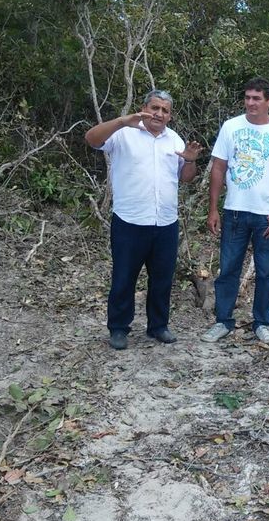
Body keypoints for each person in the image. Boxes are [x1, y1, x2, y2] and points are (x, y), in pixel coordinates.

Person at [85, 89, 201, 350]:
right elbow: (91, 139)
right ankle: (118, 328)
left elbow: (186, 178)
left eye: (165, 110)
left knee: (162, 278)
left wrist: (191, 162)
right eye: (154, 107)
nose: (159, 114)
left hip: (165, 222)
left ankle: (158, 326)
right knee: (124, 277)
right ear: (144, 108)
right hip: (130, 221)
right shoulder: (124, 134)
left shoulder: (175, 140)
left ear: (170, 116)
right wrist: (122, 121)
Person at [203, 78, 269, 344]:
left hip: (267, 215)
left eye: (257, 98)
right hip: (234, 211)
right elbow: (219, 167)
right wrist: (213, 209)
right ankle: (223, 321)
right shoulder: (231, 127)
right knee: (228, 268)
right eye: (247, 98)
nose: (251, 103)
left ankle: (263, 323)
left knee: (267, 271)